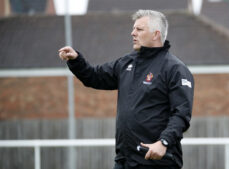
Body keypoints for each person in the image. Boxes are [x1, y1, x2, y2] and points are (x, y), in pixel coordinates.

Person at [58, 9, 194, 169]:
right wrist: (76, 60)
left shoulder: (175, 69)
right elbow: (94, 77)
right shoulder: (126, 63)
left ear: (156, 34)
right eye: (133, 28)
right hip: (125, 160)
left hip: (158, 161)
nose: (132, 33)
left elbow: (181, 113)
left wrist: (163, 142)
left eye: (139, 29)